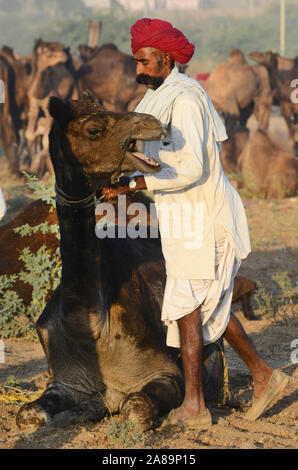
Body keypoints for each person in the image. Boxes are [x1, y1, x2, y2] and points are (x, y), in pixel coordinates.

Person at [102, 18, 289, 429]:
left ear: (166, 59)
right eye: (136, 60)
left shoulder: (185, 99)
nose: (138, 68)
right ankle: (261, 376)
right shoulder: (156, 98)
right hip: (181, 218)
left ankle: (197, 404)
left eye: (144, 60)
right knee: (203, 309)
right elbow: (149, 153)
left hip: (204, 217)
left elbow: (191, 167)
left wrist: (136, 183)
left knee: (192, 308)